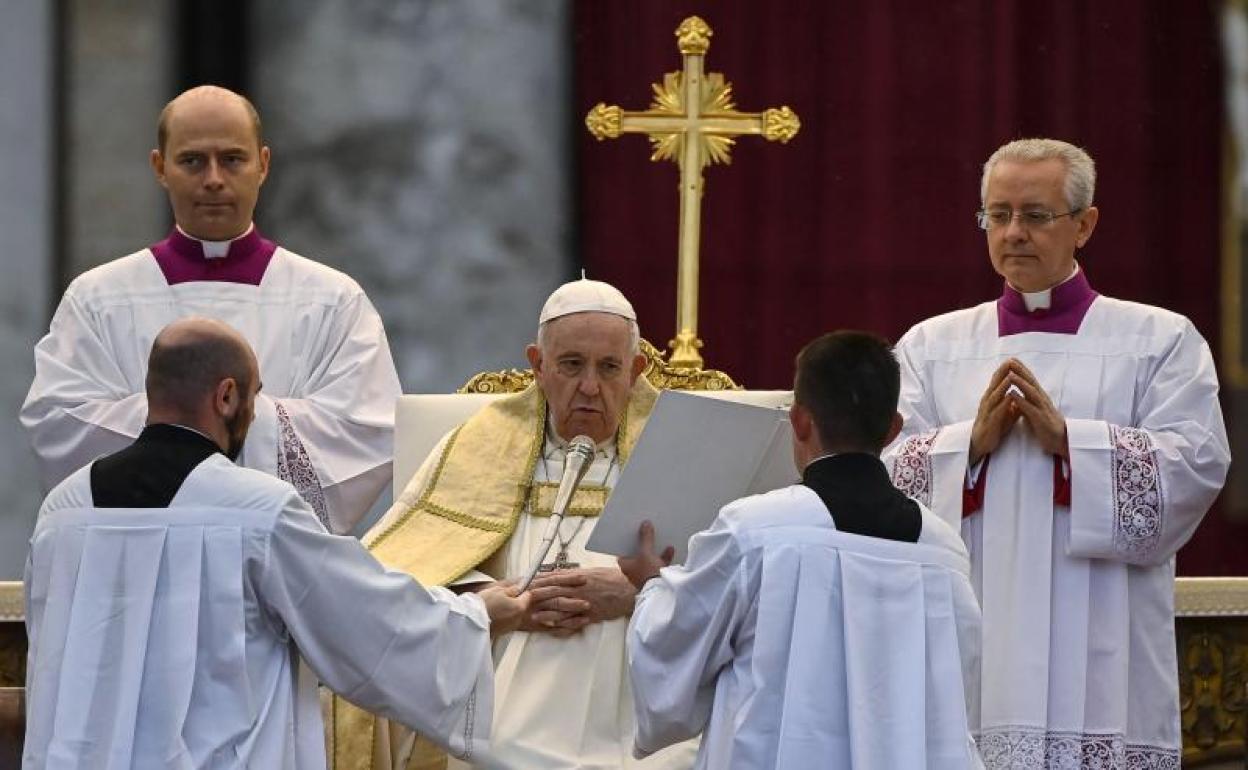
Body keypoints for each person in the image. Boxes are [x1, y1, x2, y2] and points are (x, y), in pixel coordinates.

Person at [22, 317, 529, 770]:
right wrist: (476, 615)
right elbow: (363, 619)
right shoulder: (256, 511)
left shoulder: (63, 512)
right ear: (226, 396)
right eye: (255, 396)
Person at [883, 138, 1230, 767]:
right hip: (973, 628)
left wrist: (1073, 444)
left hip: (1101, 637)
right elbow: (881, 475)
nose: (1013, 232)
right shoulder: (931, 346)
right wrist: (969, 447)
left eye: (1036, 215)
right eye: (998, 214)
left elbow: (1197, 464)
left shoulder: (1158, 339)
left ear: (1085, 224)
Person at [334, 279, 698, 770]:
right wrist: (495, 602)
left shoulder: (681, 452)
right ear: (538, 366)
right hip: (503, 688)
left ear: (634, 372)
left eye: (609, 368)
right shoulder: (476, 448)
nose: (590, 387)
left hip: (646, 705)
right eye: (571, 365)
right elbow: (397, 574)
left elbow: (731, 584)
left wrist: (642, 591)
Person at [20, 85, 400, 534]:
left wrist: (182, 424)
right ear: (160, 167)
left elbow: (367, 430)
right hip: (145, 551)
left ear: (263, 164)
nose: (214, 178)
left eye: (233, 159)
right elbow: (59, 425)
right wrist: (211, 418)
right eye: (193, 160)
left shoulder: (333, 299)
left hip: (273, 559)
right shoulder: (98, 297)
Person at [620, 331, 984, 770]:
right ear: (892, 430)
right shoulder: (943, 549)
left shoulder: (754, 532)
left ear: (799, 421)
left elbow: (675, 653)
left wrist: (652, 587)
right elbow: (954, 694)